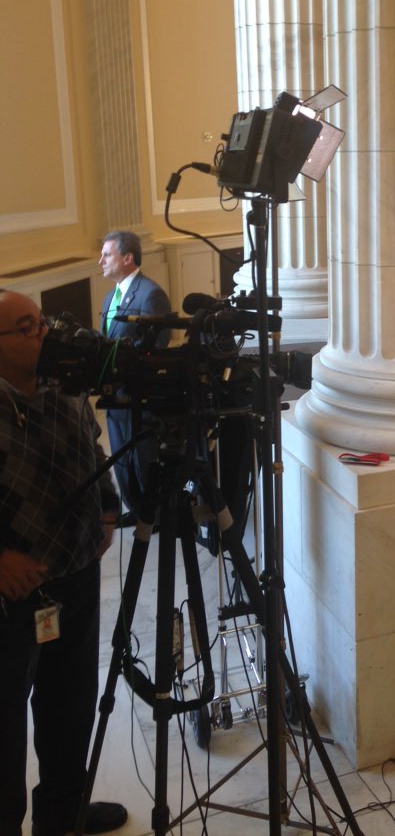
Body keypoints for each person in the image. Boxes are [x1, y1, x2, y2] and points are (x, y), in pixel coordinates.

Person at [0, 290, 127, 836]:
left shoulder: (62, 383)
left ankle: (63, 814)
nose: (43, 334)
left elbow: (92, 449)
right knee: (5, 725)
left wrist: (107, 509)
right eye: (26, 327)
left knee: (70, 707)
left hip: (75, 575)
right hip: (13, 594)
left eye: (41, 322)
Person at [98, 230, 171, 521]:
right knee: (121, 459)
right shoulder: (110, 297)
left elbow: (157, 345)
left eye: (107, 255)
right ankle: (136, 511)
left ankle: (152, 514)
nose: (101, 261)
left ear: (127, 258)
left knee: (141, 458)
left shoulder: (150, 294)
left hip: (138, 397)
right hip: (114, 396)